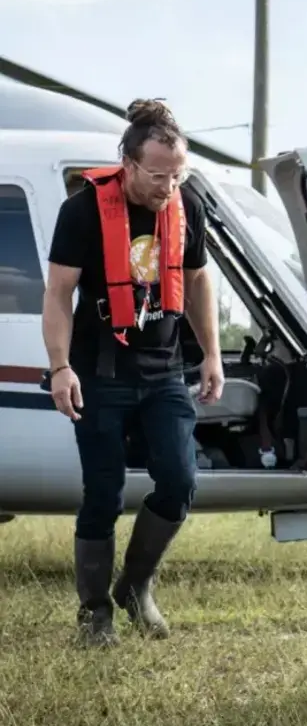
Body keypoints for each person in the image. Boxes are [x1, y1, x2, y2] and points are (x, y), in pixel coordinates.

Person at [41, 98, 225, 647]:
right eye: (158, 176)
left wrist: (211, 354)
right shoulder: (82, 210)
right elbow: (58, 293)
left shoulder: (186, 204)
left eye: (178, 174)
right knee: (103, 491)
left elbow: (196, 282)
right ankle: (95, 611)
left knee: (179, 480)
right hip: (100, 370)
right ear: (127, 162)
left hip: (164, 368)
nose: (169, 187)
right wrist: (59, 367)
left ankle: (135, 587)